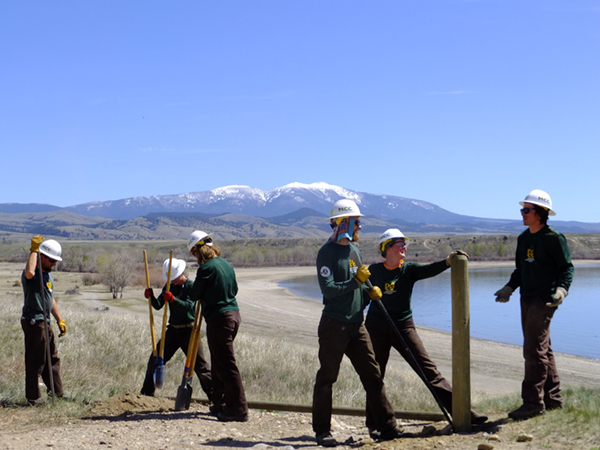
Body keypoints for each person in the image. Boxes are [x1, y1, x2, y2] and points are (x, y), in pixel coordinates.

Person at [365, 228, 488, 429]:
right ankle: (375, 424)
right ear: (387, 248)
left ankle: (465, 413)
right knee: (375, 376)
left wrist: (448, 262)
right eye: (399, 243)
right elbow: (362, 298)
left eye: (405, 243)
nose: (404, 246)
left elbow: (429, 269)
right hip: (376, 327)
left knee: (429, 371)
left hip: (404, 327)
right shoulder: (375, 271)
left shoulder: (409, 270)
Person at [313, 199, 403, 447]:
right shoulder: (326, 253)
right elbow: (329, 290)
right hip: (334, 325)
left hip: (357, 324)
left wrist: (369, 292)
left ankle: (387, 427)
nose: (360, 227)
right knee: (327, 378)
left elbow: (358, 285)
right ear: (345, 223)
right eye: (357, 222)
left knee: (373, 376)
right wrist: (356, 283)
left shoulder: (355, 251)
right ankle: (322, 431)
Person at [494, 189, 573, 421]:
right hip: (526, 297)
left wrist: (561, 290)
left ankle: (532, 403)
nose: (522, 214)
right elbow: (520, 270)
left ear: (540, 213)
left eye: (526, 210)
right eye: (522, 210)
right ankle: (553, 398)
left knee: (533, 349)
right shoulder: (524, 238)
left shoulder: (553, 238)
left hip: (545, 299)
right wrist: (509, 288)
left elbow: (567, 268)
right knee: (542, 348)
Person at [187, 230, 249, 422]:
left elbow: (194, 294)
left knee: (227, 365)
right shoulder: (226, 264)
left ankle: (238, 410)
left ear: (200, 249)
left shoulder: (206, 269)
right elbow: (235, 289)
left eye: (194, 253)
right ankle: (219, 403)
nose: (194, 257)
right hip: (233, 315)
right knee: (219, 362)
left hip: (219, 319)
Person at [141, 257, 213, 401]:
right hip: (173, 331)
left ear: (181, 273)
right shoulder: (169, 287)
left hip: (190, 331)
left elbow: (191, 308)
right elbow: (158, 305)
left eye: (173, 278)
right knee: (155, 360)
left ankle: (217, 399)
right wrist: (151, 297)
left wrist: (174, 300)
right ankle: (146, 396)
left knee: (201, 367)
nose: (171, 281)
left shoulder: (191, 286)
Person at [20, 235, 68, 406]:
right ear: (42, 257)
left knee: (52, 359)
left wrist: (59, 319)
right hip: (34, 321)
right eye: (52, 260)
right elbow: (29, 272)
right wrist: (34, 249)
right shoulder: (32, 276)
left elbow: (50, 299)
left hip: (45, 321)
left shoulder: (48, 276)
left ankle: (58, 393)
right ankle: (33, 398)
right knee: (36, 360)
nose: (55, 263)